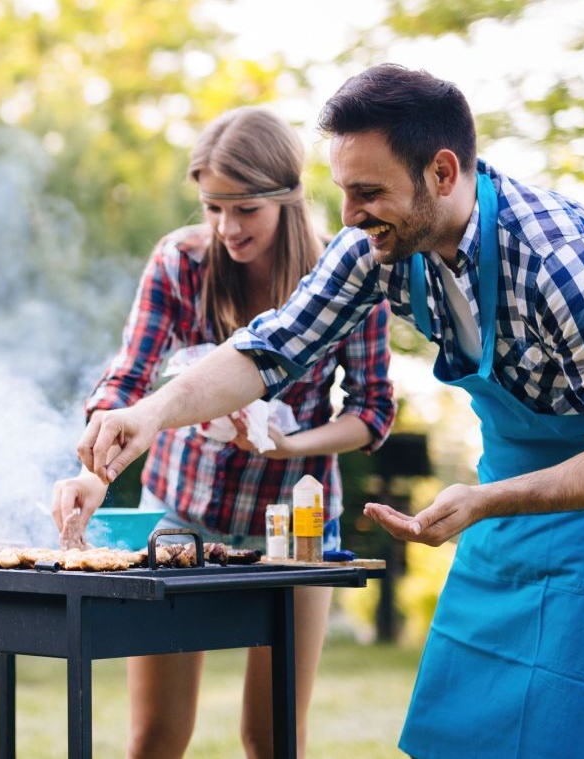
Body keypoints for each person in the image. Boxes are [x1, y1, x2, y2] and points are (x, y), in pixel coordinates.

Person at [77, 64, 584, 759]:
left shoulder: (563, 266)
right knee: (464, 734)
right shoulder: (379, 251)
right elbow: (269, 349)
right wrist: (152, 414)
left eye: (368, 192)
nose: (348, 214)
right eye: (343, 190)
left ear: (441, 172)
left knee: (573, 731)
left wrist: (488, 500)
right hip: (504, 507)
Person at [51, 107, 395, 759]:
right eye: (213, 207)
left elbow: (373, 412)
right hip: (183, 515)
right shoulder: (180, 261)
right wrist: (93, 472)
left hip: (296, 526)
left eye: (244, 210)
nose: (226, 228)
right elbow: (130, 376)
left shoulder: (347, 275)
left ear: (287, 199)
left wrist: (290, 444)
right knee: (155, 737)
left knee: (272, 737)